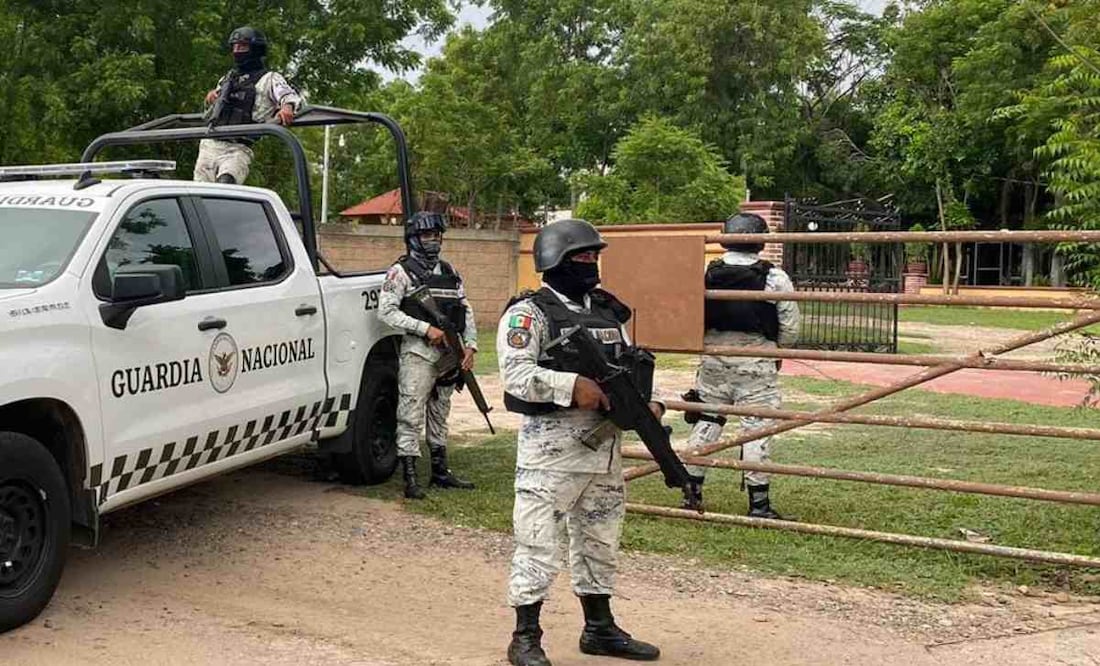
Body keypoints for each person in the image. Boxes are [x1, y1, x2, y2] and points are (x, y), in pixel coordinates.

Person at [498, 219, 662, 666]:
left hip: (604, 450)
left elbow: (628, 367)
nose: (591, 264)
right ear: (554, 261)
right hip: (551, 452)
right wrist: (571, 385)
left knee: (600, 540)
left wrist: (652, 404)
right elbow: (514, 374)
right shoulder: (528, 314)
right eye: (581, 257)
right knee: (538, 543)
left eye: (594, 256)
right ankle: (525, 637)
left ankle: (599, 628)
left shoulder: (606, 312)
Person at [680, 212, 800, 519]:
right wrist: (777, 348)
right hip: (756, 358)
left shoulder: (707, 273)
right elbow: (790, 324)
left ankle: (690, 491)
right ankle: (759, 504)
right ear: (760, 240)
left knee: (707, 421)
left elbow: (690, 313)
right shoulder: (774, 277)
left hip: (714, 355)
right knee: (756, 429)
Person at [378, 212, 477, 500]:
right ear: (413, 238)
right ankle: (409, 476)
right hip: (419, 353)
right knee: (410, 413)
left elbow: (465, 308)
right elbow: (386, 312)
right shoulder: (399, 272)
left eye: (437, 235)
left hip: (449, 353)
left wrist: (470, 346)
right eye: (426, 236)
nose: (433, 241)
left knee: (440, 411)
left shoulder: (449, 270)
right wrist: (424, 329)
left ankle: (440, 471)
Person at [194, 26, 303, 184]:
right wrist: (210, 97)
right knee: (200, 194)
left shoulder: (270, 78)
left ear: (256, 49)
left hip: (237, 148)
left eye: (243, 46)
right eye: (235, 46)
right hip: (209, 144)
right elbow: (211, 109)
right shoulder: (228, 78)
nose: (237, 51)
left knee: (226, 184)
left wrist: (287, 107)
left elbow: (289, 96)